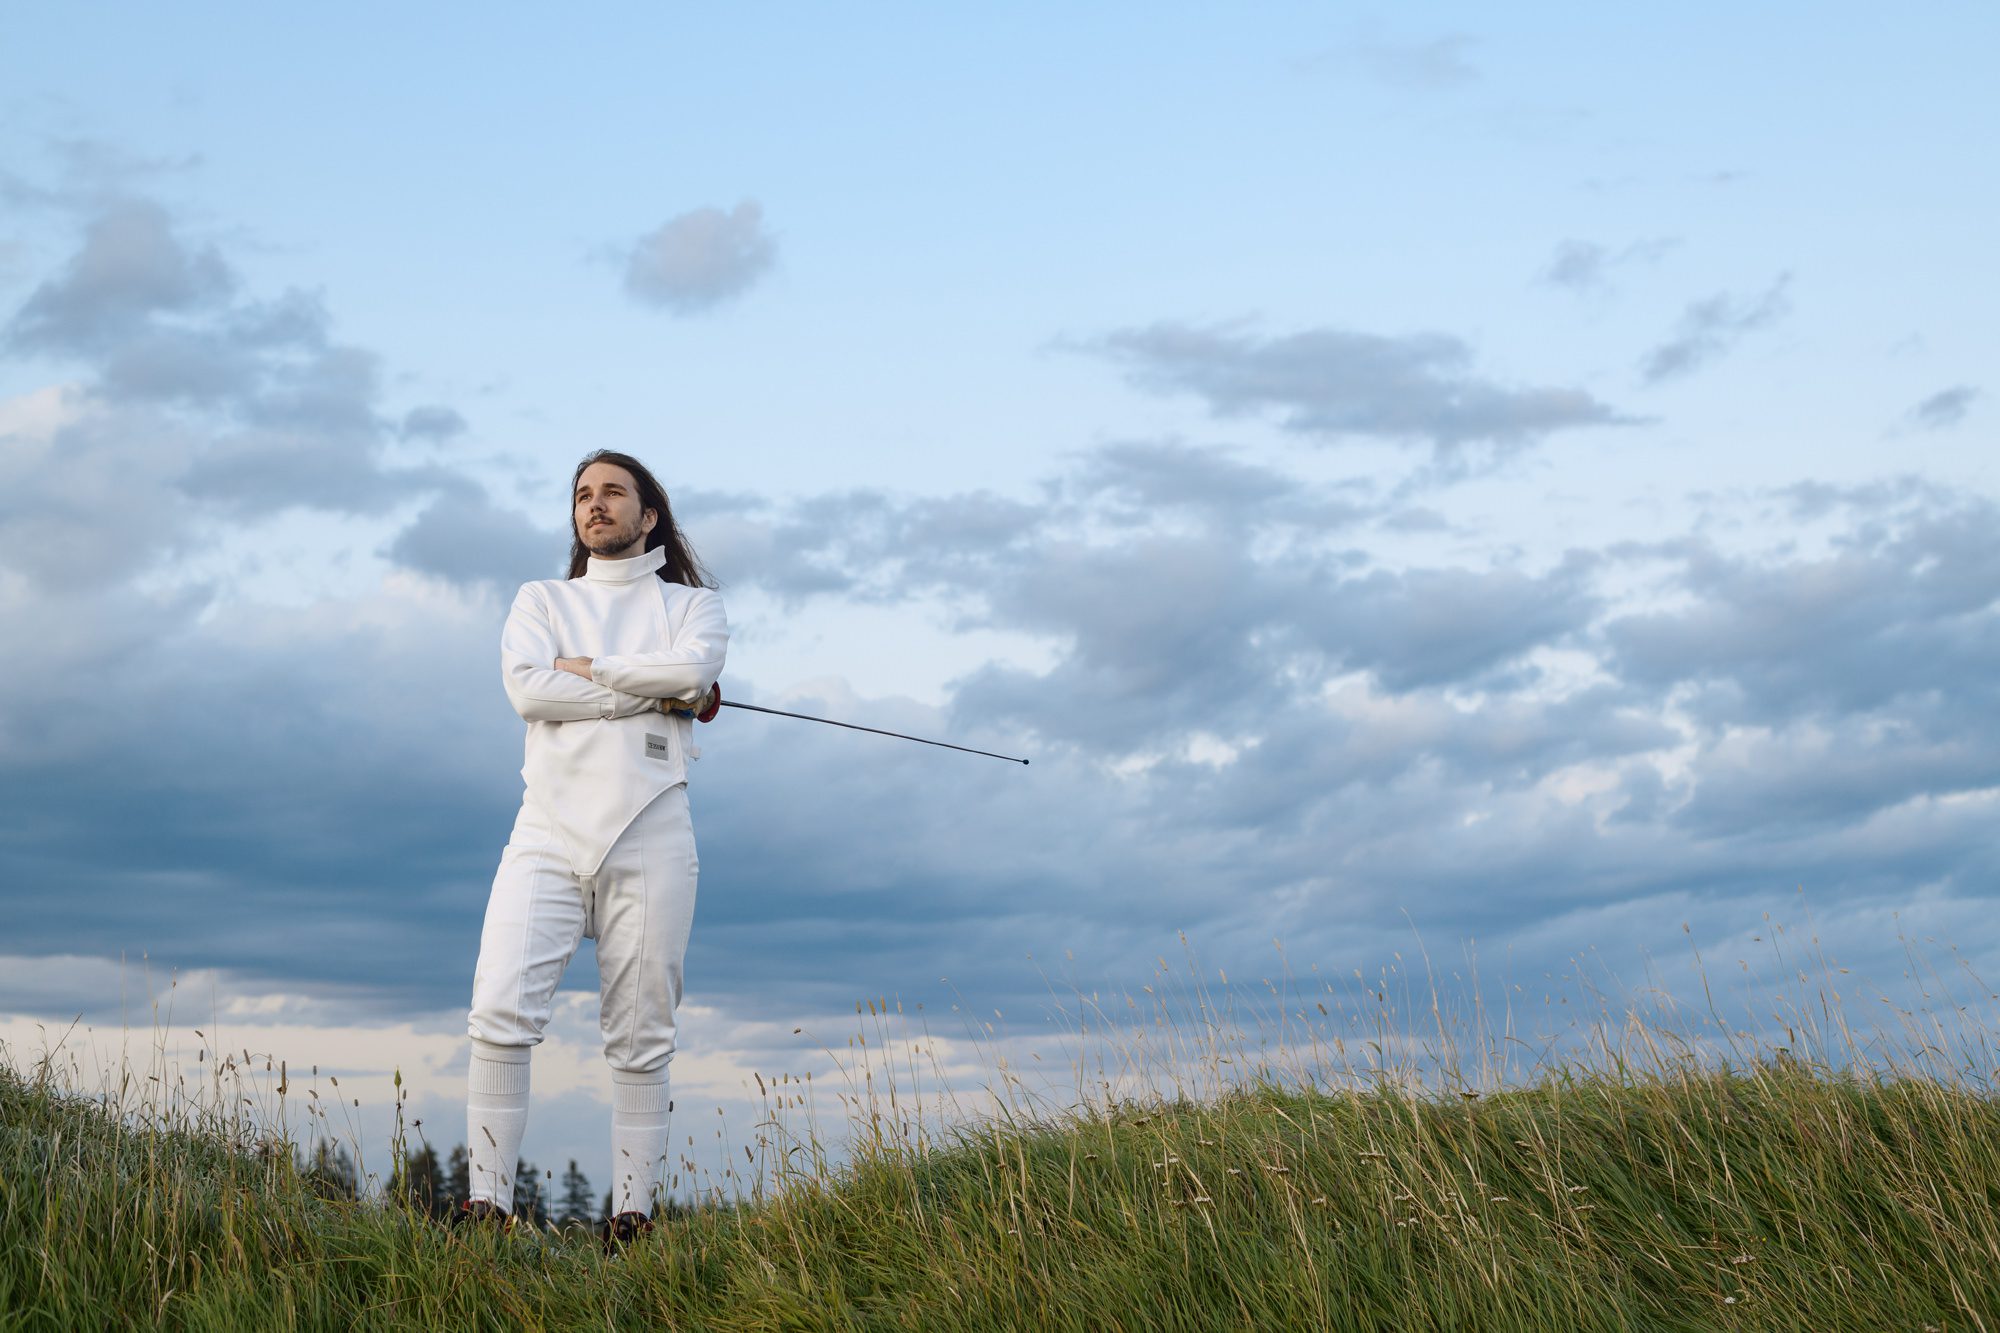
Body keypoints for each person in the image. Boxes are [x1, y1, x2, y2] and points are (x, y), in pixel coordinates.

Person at [459, 450, 726, 1249]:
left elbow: (695, 668)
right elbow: (528, 690)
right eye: (583, 494)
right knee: (499, 1010)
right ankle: (488, 1210)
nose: (595, 503)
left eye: (613, 492)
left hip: (652, 827)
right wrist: (645, 690)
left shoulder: (693, 605)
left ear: (648, 516)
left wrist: (589, 672)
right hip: (545, 828)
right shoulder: (540, 599)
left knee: (642, 1032)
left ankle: (634, 1218)